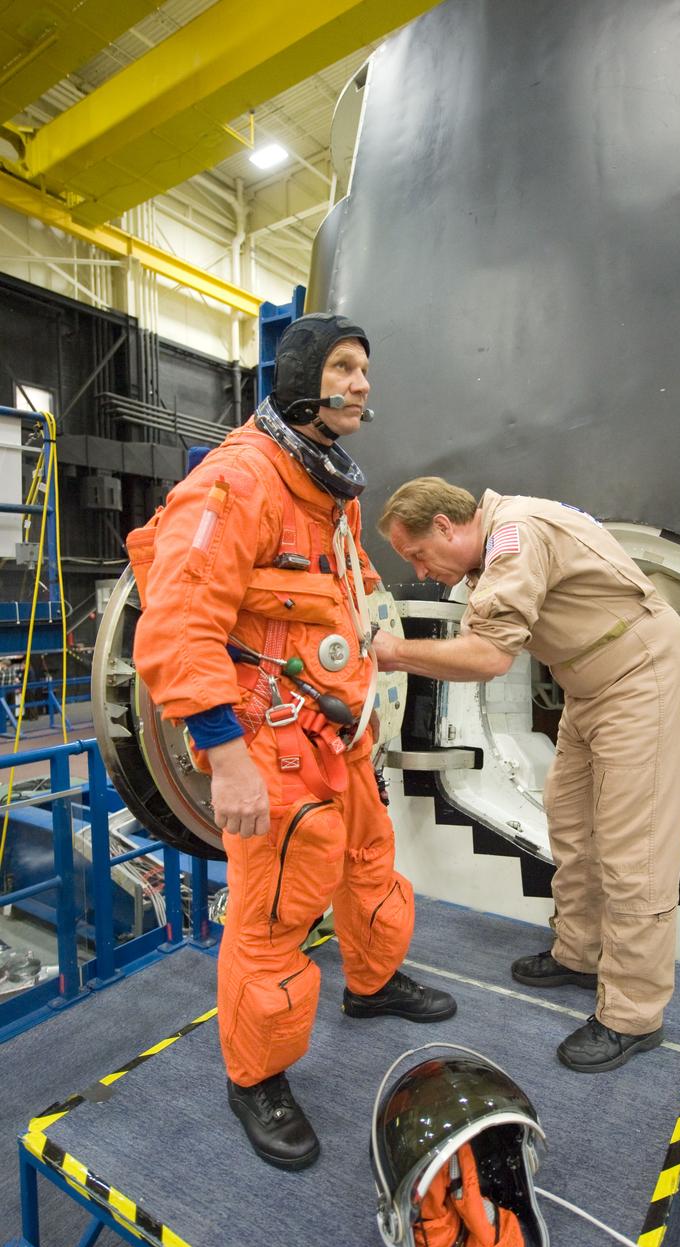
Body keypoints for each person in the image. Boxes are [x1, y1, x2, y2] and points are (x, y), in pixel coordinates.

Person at [130, 317, 456, 1171]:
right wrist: (224, 755)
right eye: (343, 368)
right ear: (302, 379)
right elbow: (175, 626)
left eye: (365, 370)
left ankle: (374, 984)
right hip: (266, 744)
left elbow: (344, 594)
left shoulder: (324, 490)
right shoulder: (237, 482)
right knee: (275, 914)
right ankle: (257, 1076)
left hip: (337, 729)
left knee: (368, 863)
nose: (361, 384)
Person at [373, 478, 680, 1073]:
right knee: (572, 825)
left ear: (447, 526)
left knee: (635, 850)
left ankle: (633, 1015)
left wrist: (389, 652)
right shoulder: (499, 542)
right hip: (588, 683)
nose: (421, 570)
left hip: (638, 676)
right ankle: (580, 953)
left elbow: (490, 657)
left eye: (418, 554)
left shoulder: (515, 536)